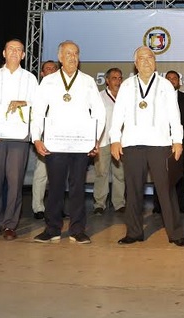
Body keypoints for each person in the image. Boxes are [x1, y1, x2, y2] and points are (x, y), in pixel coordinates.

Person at [110, 47, 184, 246]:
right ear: (135, 63)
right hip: (132, 144)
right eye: (141, 58)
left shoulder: (165, 85)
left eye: (150, 57)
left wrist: (177, 140)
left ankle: (176, 234)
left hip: (160, 144)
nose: (146, 61)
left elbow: (174, 115)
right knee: (133, 190)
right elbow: (118, 114)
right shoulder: (127, 85)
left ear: (155, 62)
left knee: (166, 190)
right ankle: (134, 232)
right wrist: (115, 139)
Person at [32, 40, 105, 244]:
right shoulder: (48, 81)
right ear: (60, 57)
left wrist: (94, 139)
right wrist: (36, 137)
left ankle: (77, 229)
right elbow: (38, 111)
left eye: (76, 53)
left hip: (81, 144)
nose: (73, 57)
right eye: (68, 53)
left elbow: (99, 112)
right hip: (55, 143)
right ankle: (52, 229)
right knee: (55, 187)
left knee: (77, 187)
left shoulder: (88, 81)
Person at [0, 38, 37, 241]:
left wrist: (24, 102)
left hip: (19, 137)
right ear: (4, 53)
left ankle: (10, 225)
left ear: (23, 55)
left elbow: (37, 105)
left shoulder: (30, 79)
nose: (14, 52)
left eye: (18, 49)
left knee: (15, 181)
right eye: (10, 49)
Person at [153, 69, 184, 215]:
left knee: (180, 173)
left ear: (179, 82)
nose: (171, 80)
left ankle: (180, 205)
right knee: (159, 173)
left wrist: (175, 126)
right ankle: (158, 206)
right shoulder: (157, 97)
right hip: (160, 140)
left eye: (174, 78)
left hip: (181, 141)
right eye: (168, 78)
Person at [93, 67, 126, 215]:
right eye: (114, 78)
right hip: (103, 141)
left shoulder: (126, 97)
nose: (117, 81)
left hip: (121, 142)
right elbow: (94, 120)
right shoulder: (99, 97)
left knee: (120, 174)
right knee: (101, 173)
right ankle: (99, 204)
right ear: (107, 80)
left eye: (120, 78)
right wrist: (95, 141)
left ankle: (119, 203)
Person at [31, 59, 59, 220]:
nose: (51, 71)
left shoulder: (62, 90)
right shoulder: (37, 91)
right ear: (42, 73)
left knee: (59, 175)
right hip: (43, 136)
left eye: (54, 68)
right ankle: (38, 207)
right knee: (41, 173)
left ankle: (57, 207)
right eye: (48, 69)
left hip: (61, 136)